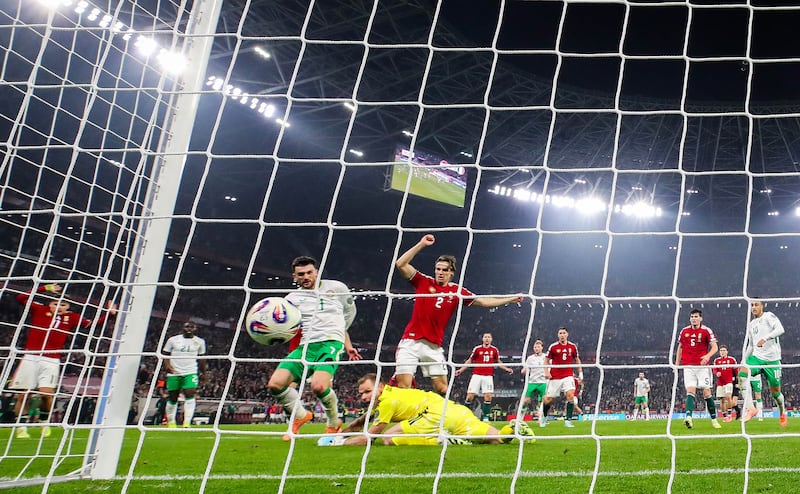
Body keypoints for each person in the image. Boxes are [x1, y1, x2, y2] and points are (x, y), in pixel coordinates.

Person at [393, 234, 523, 395]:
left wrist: (509, 299)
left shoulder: (456, 291)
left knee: (443, 389)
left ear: (451, 273)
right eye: (438, 269)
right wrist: (421, 244)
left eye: (444, 270)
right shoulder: (423, 281)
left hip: (433, 346)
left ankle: (431, 411)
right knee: (404, 387)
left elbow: (483, 302)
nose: (440, 272)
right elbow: (400, 264)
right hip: (411, 342)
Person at [266, 256, 361, 441]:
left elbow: (348, 314)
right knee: (275, 384)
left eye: (309, 272)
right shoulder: (291, 299)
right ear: (295, 277)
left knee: (318, 386)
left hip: (330, 343)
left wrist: (345, 342)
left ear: (316, 272)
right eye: (301, 274)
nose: (306, 277)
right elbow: (285, 325)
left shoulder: (337, 288)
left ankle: (333, 422)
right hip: (305, 346)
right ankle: (301, 415)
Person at [11, 283, 116, 439]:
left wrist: (109, 314)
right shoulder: (39, 309)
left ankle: (44, 421)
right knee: (24, 394)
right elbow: (20, 297)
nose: (59, 307)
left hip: (52, 360)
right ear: (50, 304)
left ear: (68, 307)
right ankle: (21, 427)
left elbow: (91, 325)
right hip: (31, 357)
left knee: (46, 394)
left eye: (63, 305)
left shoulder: (72, 317)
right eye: (55, 304)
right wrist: (44, 288)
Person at [338, 373, 532, 446]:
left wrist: (337, 443)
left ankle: (440, 440)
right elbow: (362, 421)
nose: (364, 397)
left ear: (380, 387)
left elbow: (369, 437)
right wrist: (342, 433)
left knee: (388, 438)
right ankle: (512, 429)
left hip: (432, 415)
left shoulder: (386, 401)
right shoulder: (390, 394)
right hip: (455, 410)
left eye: (367, 392)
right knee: (497, 439)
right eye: (361, 394)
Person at [738, 299, 787, 427]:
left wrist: (765, 338)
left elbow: (780, 329)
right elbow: (750, 345)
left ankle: (782, 412)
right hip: (757, 358)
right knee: (742, 374)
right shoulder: (751, 324)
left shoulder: (768, 316)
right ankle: (750, 408)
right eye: (752, 305)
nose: (754, 307)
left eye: (756, 305)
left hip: (772, 360)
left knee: (776, 393)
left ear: (762, 306)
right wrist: (743, 360)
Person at [676, 309, 721, 429]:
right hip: (688, 366)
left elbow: (715, 347)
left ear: (701, 318)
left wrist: (707, 356)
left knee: (706, 392)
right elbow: (680, 347)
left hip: (702, 367)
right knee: (690, 391)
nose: (693, 319)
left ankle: (714, 420)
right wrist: (676, 364)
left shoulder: (706, 331)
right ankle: (689, 417)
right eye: (692, 317)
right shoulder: (684, 331)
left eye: (696, 316)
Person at [454, 332, 513, 421]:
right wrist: (461, 370)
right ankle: (465, 415)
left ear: (491, 339)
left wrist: (506, 369)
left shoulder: (494, 350)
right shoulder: (477, 349)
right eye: (485, 337)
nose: (487, 338)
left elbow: (498, 361)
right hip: (476, 375)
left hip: (488, 376)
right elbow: (470, 360)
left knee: (488, 396)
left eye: (489, 337)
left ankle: (486, 417)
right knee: (470, 396)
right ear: (482, 339)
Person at [163, 322, 207, 428]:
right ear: (182, 328)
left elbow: (202, 359)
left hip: (190, 372)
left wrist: (203, 373)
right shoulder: (172, 340)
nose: (189, 329)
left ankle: (187, 422)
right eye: (187, 327)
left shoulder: (200, 342)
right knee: (173, 397)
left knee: (190, 393)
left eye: (192, 327)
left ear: (195, 329)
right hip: (174, 372)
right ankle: (171, 422)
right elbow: (165, 354)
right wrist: (168, 366)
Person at [540, 327, 582, 428]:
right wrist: (546, 372)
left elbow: (577, 359)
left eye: (564, 333)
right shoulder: (553, 347)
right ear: (558, 335)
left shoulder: (572, 346)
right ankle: (544, 417)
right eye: (560, 333)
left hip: (568, 375)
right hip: (555, 377)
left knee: (570, 396)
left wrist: (580, 373)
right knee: (549, 400)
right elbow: (546, 360)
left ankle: (568, 420)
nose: (562, 335)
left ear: (567, 334)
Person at [521, 339, 547, 420]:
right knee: (526, 401)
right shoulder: (530, 358)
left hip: (543, 382)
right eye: (535, 347)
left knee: (544, 400)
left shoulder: (546, 357)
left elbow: (551, 366)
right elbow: (525, 369)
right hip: (532, 382)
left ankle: (541, 418)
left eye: (538, 347)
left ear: (542, 348)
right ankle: (521, 417)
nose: (536, 348)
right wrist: (524, 370)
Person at [713, 345, 738, 422]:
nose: (722, 352)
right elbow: (714, 369)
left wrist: (737, 380)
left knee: (728, 396)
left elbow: (736, 370)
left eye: (724, 350)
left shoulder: (731, 360)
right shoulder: (716, 361)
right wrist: (716, 373)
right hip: (720, 383)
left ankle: (730, 414)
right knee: (722, 400)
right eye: (721, 350)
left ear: (727, 351)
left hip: (729, 381)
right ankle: (724, 416)